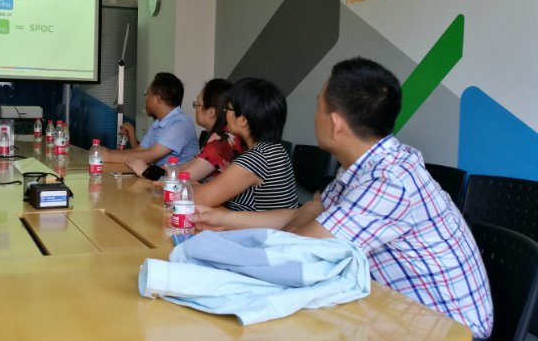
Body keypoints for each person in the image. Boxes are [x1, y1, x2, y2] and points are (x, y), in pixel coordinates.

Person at [190, 57, 493, 338]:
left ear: (334, 123)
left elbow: (300, 249)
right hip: (390, 307)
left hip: (447, 329)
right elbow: (306, 213)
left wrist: (291, 225)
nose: (314, 116)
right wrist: (225, 219)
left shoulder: (390, 180)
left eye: (318, 106)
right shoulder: (360, 167)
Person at [186, 77, 297, 211]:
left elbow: (200, 198)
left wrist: (185, 182)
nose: (225, 113)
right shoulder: (275, 149)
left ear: (243, 120)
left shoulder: (257, 158)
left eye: (228, 108)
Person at [125, 78, 244, 183]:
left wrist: (145, 170)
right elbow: (185, 167)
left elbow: (182, 181)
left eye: (198, 104)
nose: (195, 109)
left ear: (211, 112)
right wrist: (157, 169)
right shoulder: (218, 137)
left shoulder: (220, 143)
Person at [101, 72, 198, 166]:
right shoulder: (159, 122)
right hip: (159, 175)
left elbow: (150, 156)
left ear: (157, 99)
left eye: (147, 94)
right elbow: (140, 151)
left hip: (174, 177)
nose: (145, 99)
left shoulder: (180, 124)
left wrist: (109, 156)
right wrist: (108, 152)